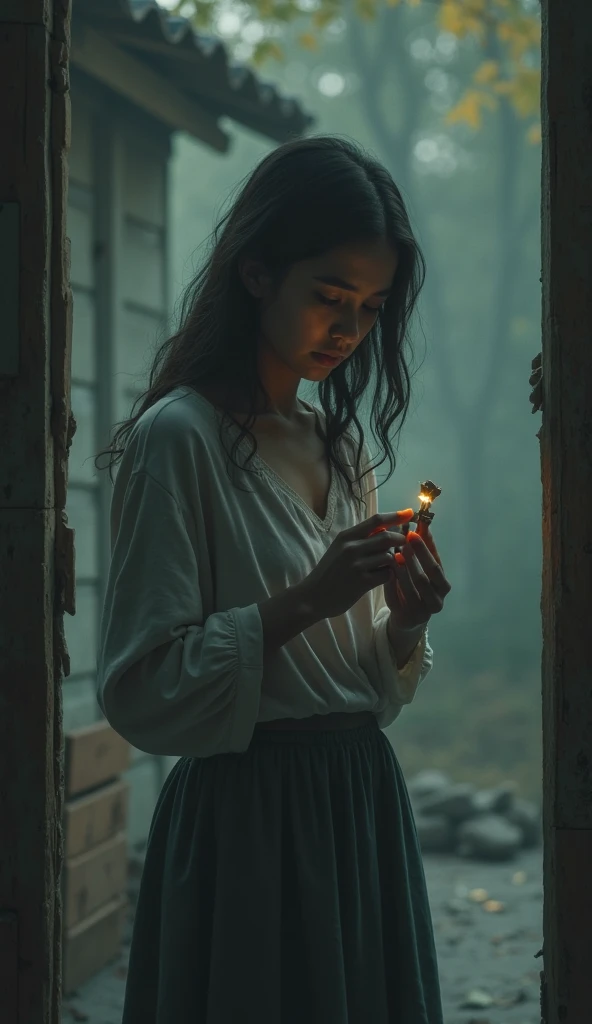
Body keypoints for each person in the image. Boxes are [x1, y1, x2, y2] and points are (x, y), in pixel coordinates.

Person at [95, 135, 451, 1024]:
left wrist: (404, 623)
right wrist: (305, 602)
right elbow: (142, 688)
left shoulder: (343, 443)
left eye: (370, 309)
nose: (348, 330)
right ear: (257, 274)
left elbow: (360, 671)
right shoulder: (180, 439)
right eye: (329, 297)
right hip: (247, 818)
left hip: (360, 796)